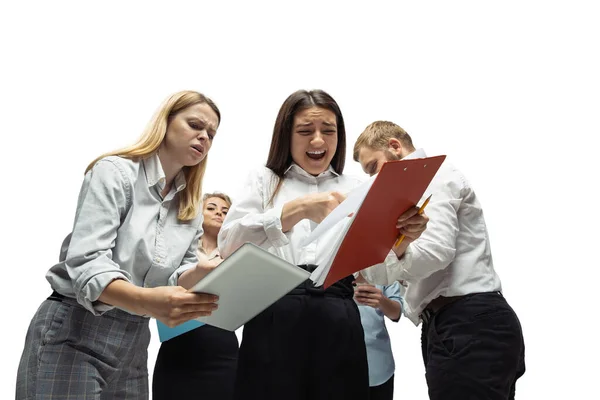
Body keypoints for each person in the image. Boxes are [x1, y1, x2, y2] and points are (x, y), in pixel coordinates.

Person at [217, 89, 429, 400]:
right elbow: (229, 244)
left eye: (328, 131)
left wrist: (403, 240)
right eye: (305, 131)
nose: (318, 141)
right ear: (285, 135)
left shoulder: (357, 188)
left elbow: (377, 270)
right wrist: (297, 209)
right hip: (275, 310)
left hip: (340, 313)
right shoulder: (264, 181)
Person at [16, 90, 223, 400]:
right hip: (75, 328)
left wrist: (200, 273)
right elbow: (87, 263)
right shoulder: (114, 172)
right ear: (165, 123)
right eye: (195, 125)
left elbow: (175, 275)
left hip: (135, 341)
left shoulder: (190, 206)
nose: (204, 137)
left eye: (211, 133)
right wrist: (146, 301)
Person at [353, 120, 526, 400]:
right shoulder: (412, 190)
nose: (373, 180)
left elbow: (436, 252)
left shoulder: (432, 177)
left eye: (373, 167)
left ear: (395, 147)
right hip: (458, 325)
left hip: (467, 322)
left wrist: (389, 261)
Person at [153, 192, 239, 400]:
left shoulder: (237, 255)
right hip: (178, 343)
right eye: (211, 208)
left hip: (221, 347)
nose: (219, 212)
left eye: (225, 211)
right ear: (197, 214)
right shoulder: (177, 253)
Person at [354, 273, 402, 400]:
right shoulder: (325, 264)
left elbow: (396, 312)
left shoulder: (383, 267)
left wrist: (381, 300)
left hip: (376, 363)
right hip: (334, 360)